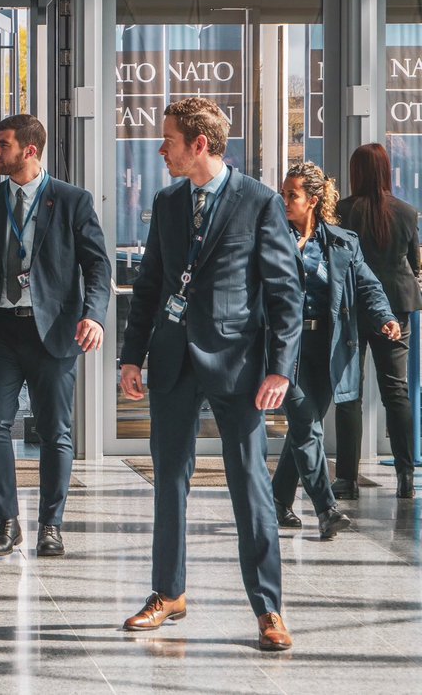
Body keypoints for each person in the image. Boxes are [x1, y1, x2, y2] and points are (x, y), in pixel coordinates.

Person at [119, 97, 301, 651]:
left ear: (199, 145)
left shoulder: (261, 203)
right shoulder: (168, 201)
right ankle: (167, 592)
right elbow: (150, 284)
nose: (160, 149)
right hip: (174, 360)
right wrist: (132, 356)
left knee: (249, 484)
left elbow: (284, 295)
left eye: (168, 140)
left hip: (240, 365)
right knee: (169, 478)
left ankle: (268, 608)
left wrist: (280, 370)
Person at [0, 114, 110, 559]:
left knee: (56, 432)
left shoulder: (71, 200)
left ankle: (51, 526)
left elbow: (97, 265)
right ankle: (7, 522)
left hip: (54, 332)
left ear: (30, 150)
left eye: (2, 145)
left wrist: (94, 315)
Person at [270, 162, 399, 538]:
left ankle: (277, 500)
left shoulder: (343, 242)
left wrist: (385, 318)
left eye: (291, 194)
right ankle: (326, 509)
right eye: (283, 193)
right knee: (307, 426)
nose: (284, 200)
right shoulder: (272, 238)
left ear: (312, 200)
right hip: (284, 349)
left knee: (302, 429)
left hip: (325, 348)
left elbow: (369, 287)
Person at [335, 143, 421, 500]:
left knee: (349, 392)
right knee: (396, 391)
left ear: (356, 173)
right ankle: (404, 474)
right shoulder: (406, 212)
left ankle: (347, 479)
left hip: (353, 309)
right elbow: (413, 263)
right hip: (396, 309)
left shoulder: (343, 211)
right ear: (386, 171)